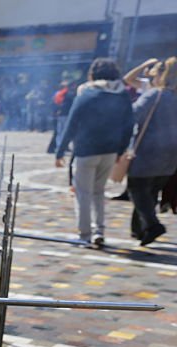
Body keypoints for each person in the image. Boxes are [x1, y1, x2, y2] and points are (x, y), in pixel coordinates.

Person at [55, 58, 134, 248]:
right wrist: (120, 150)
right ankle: (99, 230)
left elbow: (71, 124)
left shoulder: (87, 93)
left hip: (86, 151)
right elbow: (128, 126)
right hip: (110, 151)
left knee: (83, 193)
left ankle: (85, 234)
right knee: (99, 192)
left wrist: (60, 151)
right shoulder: (122, 95)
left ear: (93, 74)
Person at [127, 56, 177, 246]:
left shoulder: (155, 95)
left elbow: (133, 115)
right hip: (172, 156)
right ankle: (139, 230)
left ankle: (152, 225)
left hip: (149, 152)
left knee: (136, 189)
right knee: (151, 192)